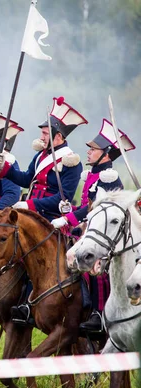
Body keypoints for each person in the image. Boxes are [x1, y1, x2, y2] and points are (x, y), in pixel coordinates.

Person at [0, 96, 85, 324]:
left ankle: (30, 303)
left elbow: (61, 198)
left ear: (59, 136)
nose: (42, 136)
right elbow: (25, 179)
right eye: (43, 133)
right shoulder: (40, 156)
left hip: (51, 219)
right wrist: (4, 167)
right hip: (30, 214)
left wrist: (30, 205)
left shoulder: (71, 161)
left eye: (46, 133)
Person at [50, 119, 135, 332]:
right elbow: (87, 207)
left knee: (93, 266)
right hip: (88, 228)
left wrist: (69, 220)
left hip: (103, 235)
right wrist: (69, 212)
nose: (88, 152)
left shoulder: (108, 177)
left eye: (93, 149)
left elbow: (95, 211)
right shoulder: (94, 175)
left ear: (105, 154)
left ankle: (98, 313)